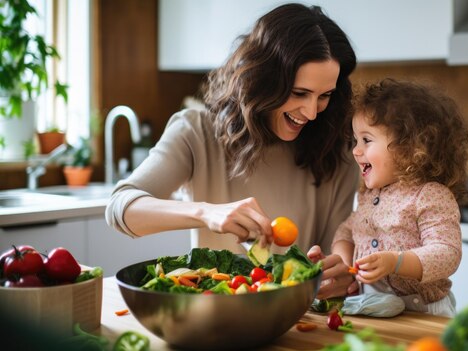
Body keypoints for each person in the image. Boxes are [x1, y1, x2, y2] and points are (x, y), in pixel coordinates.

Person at [105, 3, 359, 299]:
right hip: (215, 315)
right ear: (265, 80)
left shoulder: (337, 148)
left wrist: (337, 274)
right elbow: (121, 208)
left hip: (298, 321)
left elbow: (335, 251)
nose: (312, 112)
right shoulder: (196, 131)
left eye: (324, 96)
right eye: (299, 93)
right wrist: (206, 213)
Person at [331, 78, 468, 317]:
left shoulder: (430, 195)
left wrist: (396, 262)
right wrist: (344, 263)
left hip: (424, 312)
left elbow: (447, 253)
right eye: (355, 140)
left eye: (366, 140)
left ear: (409, 147)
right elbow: (347, 231)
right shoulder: (369, 195)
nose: (356, 150)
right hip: (374, 309)